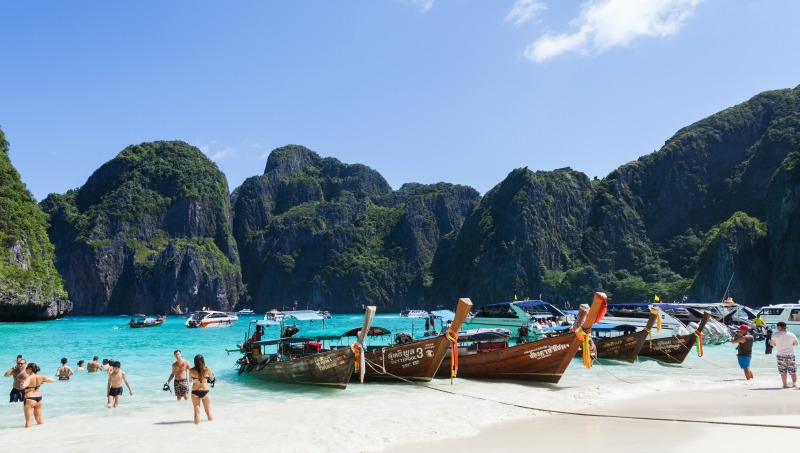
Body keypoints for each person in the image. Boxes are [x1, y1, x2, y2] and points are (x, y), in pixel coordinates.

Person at [21, 363, 55, 428]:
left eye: (26, 368)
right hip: (39, 398)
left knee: (28, 421)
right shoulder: (41, 377)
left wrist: (21, 385)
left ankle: (27, 436)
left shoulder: (29, 377)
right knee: (39, 419)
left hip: (30, 398)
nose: (25, 370)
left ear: (30, 369)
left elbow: (24, 386)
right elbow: (53, 380)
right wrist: (42, 381)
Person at [769, 321, 798, 388]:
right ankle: (795, 384)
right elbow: (796, 344)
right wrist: (790, 344)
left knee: (783, 371)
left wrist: (777, 344)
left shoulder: (775, 335)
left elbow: (771, 344)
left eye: (777, 327)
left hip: (780, 355)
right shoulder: (791, 334)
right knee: (793, 370)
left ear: (779, 327)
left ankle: (785, 385)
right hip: (790, 355)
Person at [189, 354, 214, 424]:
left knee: (196, 412)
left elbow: (190, 380)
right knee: (208, 412)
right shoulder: (207, 369)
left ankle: (196, 430)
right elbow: (212, 378)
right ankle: (213, 428)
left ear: (194, 362)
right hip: (205, 391)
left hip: (195, 391)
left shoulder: (191, 370)